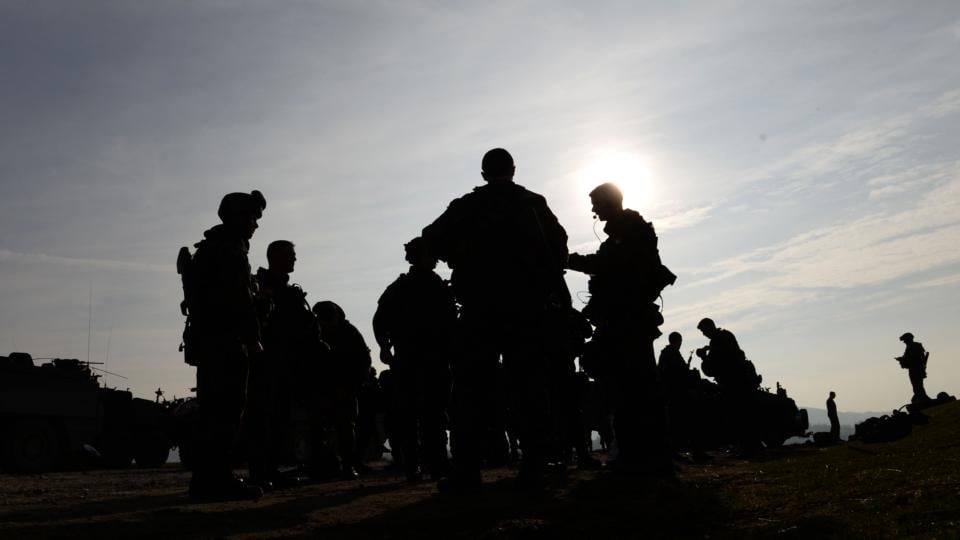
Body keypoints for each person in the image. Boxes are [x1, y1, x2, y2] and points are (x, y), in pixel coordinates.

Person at [421, 148, 569, 492]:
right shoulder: (533, 202)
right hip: (525, 310)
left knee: (471, 389)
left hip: (480, 308)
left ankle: (467, 470)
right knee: (529, 386)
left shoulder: (468, 206)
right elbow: (558, 249)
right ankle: (534, 464)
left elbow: (431, 236)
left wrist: (458, 255)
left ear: (484, 173)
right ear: (513, 169)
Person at [567, 182, 674, 476]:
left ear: (608, 203)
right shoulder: (628, 229)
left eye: (596, 204)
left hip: (627, 322)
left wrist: (568, 260)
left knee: (630, 391)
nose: (593, 210)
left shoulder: (627, 230)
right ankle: (648, 454)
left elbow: (607, 267)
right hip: (629, 321)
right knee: (636, 389)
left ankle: (638, 455)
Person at [180, 190, 266, 501]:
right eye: (252, 218)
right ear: (238, 218)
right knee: (226, 413)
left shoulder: (210, 249)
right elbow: (239, 300)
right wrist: (253, 339)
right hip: (225, 343)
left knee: (212, 413)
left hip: (208, 344)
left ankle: (206, 481)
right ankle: (216, 481)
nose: (255, 225)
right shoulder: (229, 250)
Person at [372, 237, 457, 481]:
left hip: (420, 357)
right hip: (422, 357)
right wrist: (384, 347)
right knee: (426, 414)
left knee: (421, 414)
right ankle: (429, 464)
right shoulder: (426, 286)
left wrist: (384, 347)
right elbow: (380, 321)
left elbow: (379, 320)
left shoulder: (405, 287)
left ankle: (419, 465)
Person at [247, 240, 323, 488]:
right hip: (270, 363)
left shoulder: (283, 289)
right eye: (291, 255)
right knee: (266, 418)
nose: (295, 260)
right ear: (277, 257)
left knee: (279, 418)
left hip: (286, 364)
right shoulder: (264, 288)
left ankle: (270, 469)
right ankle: (263, 471)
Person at [312, 300, 372, 479]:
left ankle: (348, 463)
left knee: (346, 427)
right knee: (321, 429)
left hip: (346, 387)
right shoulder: (315, 332)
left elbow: (363, 360)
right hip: (323, 388)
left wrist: (351, 385)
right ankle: (327, 465)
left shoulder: (349, 332)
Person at [695, 318, 761, 454]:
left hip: (732, 383)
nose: (703, 334)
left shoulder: (717, 341)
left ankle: (746, 446)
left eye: (703, 330)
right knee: (746, 413)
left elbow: (712, 368)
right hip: (742, 381)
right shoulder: (726, 335)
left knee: (736, 414)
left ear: (709, 327)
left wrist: (703, 357)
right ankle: (751, 444)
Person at [896, 332, 929, 404]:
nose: (904, 342)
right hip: (914, 369)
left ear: (909, 339)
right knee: (916, 386)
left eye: (905, 340)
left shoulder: (915, 346)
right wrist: (902, 359)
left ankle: (923, 400)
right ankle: (921, 398)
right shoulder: (911, 347)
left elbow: (913, 358)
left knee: (917, 386)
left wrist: (902, 360)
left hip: (916, 369)